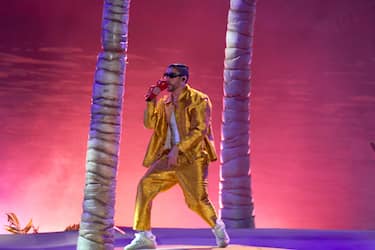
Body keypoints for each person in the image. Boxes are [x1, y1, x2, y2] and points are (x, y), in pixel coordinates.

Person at [124, 63, 230, 250]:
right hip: (169, 158)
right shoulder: (166, 102)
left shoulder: (199, 99)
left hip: (192, 158)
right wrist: (151, 100)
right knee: (145, 185)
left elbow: (200, 130)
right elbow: (150, 125)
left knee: (196, 201)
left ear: (183, 79)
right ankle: (144, 235)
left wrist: (179, 148)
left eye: (171, 75)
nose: (166, 79)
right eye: (165, 75)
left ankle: (218, 227)